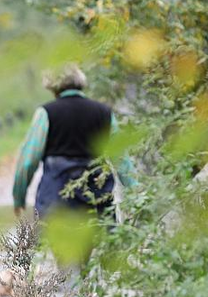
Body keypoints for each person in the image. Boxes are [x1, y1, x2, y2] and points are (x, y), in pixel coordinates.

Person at [12, 64, 137, 219]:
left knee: (50, 242)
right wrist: (136, 192)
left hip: (56, 200)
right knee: (101, 240)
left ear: (52, 86)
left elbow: (28, 161)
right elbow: (120, 157)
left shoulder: (46, 113)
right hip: (96, 199)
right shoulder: (103, 112)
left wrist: (19, 197)